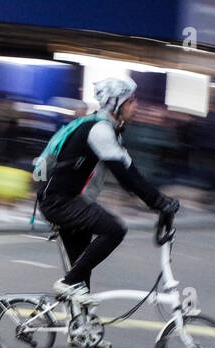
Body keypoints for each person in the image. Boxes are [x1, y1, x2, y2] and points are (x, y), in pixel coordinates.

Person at [34, 77, 179, 307]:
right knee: (114, 229)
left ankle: (81, 331)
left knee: (82, 278)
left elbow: (133, 173)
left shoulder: (111, 132)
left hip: (72, 201)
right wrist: (158, 203)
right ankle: (67, 283)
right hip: (60, 202)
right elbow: (125, 177)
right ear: (116, 104)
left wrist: (162, 201)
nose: (136, 106)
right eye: (131, 101)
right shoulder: (99, 131)